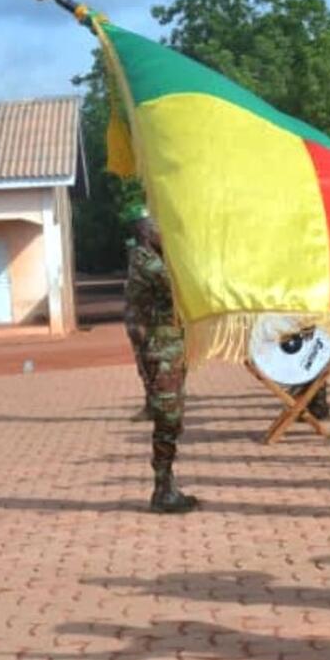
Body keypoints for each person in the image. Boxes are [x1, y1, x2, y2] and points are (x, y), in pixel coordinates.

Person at [125, 212, 197, 513]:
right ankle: (162, 489)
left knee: (172, 418)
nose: (164, 236)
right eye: (160, 231)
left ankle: (166, 486)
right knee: (168, 420)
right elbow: (179, 285)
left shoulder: (151, 257)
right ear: (147, 233)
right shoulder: (148, 262)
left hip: (169, 349)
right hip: (161, 352)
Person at [119, 205, 154, 422]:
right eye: (140, 226)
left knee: (157, 362)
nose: (143, 229)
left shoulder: (156, 255)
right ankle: (151, 404)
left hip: (152, 319)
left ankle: (164, 406)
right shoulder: (135, 253)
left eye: (145, 225)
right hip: (136, 318)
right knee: (143, 363)